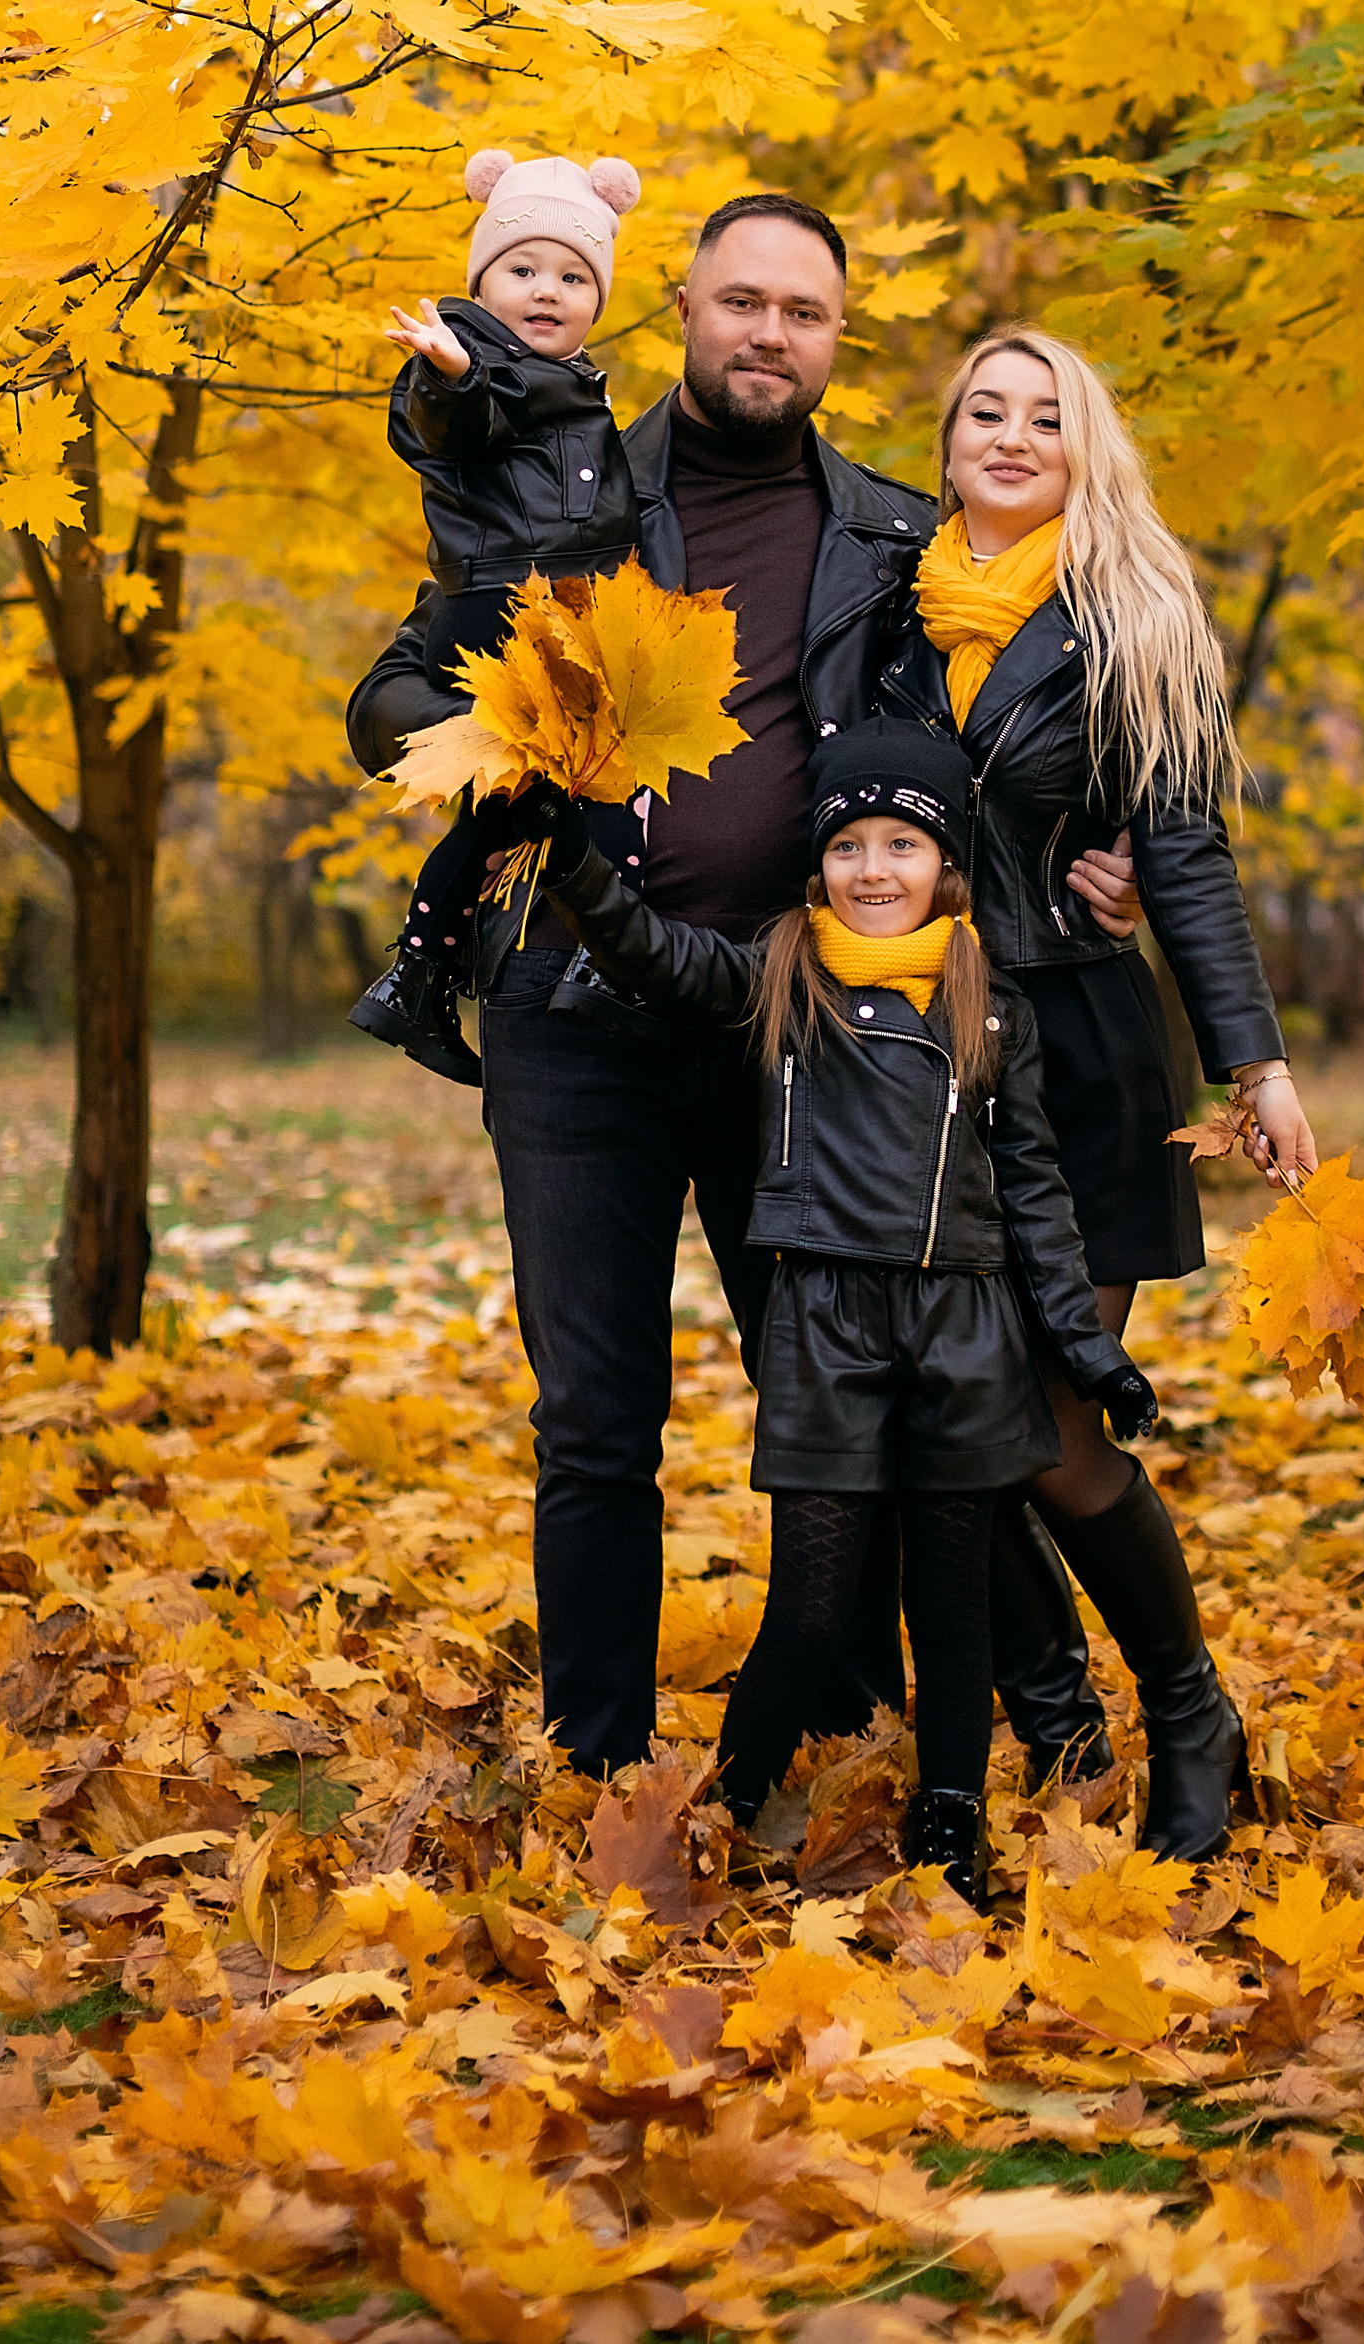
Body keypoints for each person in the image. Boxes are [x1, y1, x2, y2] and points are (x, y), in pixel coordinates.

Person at [346, 196, 1128, 1773]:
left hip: (808, 1039)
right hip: (577, 1015)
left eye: (805, 313)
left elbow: (995, 750)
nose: (769, 333)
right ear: (686, 312)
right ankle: (602, 1758)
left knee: (869, 1409)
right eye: (741, 302)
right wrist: (506, 742)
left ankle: (887, 1717)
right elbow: (391, 694)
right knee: (595, 1423)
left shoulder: (897, 540)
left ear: (838, 342)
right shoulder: (561, 488)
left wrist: (1092, 863)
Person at [523, 721, 1157, 1907]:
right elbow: (658, 955)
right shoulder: (780, 979)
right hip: (824, 1335)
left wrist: (1087, 1348)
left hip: (964, 1338)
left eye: (902, 844)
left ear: (945, 866)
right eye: (849, 845)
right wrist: (569, 861)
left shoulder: (988, 1006)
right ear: (815, 868)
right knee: (809, 1605)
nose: (874, 868)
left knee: (950, 1608)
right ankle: (722, 1809)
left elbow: (1035, 1197)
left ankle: (951, 1826)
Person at [878, 327, 1319, 1862]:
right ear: (945, 443)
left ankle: (1187, 1711)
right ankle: (1057, 1721)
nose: (1011, 437)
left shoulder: (1131, 619)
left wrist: (1254, 1064)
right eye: (985, 412)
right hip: (911, 1072)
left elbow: (1183, 857)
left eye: (1045, 418)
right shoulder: (884, 607)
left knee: (1055, 1433)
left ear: (1086, 449)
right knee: (948, 1427)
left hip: (1079, 1064)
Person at [349, 146, 645, 1084]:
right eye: (521, 270)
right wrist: (450, 370)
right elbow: (450, 426)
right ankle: (597, 961)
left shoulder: (568, 378)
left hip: (555, 607)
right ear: (483, 279)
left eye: (571, 275)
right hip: (507, 606)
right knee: (595, 787)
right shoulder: (484, 366)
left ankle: (418, 976)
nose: (545, 290)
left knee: (527, 806)